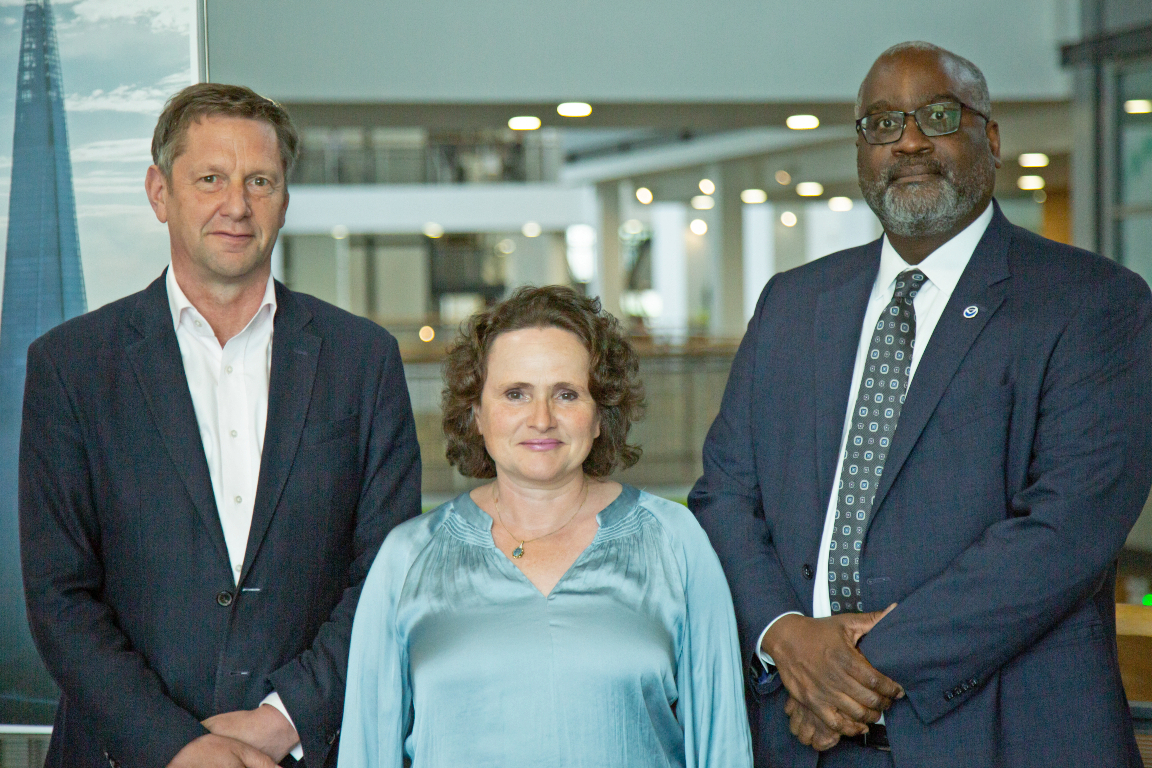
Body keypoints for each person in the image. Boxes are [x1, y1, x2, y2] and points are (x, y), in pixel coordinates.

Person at [689, 41, 1152, 768]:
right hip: (797, 733)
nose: (907, 140)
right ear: (860, 152)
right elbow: (723, 497)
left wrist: (850, 669)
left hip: (1000, 734)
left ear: (990, 137)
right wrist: (786, 635)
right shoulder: (793, 302)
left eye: (938, 115)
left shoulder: (1092, 302)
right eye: (881, 124)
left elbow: (1066, 530)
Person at [19, 83, 422, 768]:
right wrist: (178, 745)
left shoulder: (363, 359)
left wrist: (282, 719)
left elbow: (390, 569)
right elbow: (60, 594)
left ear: (285, 200)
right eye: (210, 178)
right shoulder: (72, 365)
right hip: (125, 755)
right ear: (159, 192)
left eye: (259, 181)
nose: (236, 204)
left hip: (305, 752)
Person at [338, 285, 753, 767]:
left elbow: (722, 745)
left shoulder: (675, 542)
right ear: (476, 413)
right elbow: (367, 752)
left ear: (601, 414)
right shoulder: (407, 558)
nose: (541, 419)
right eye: (516, 394)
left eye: (566, 394)